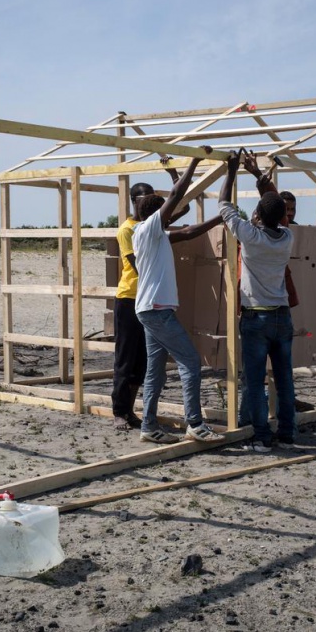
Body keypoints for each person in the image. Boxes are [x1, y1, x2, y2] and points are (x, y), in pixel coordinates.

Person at [133, 148, 226, 444]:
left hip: (152, 310)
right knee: (190, 361)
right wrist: (194, 162)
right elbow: (176, 195)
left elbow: (189, 231)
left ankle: (149, 426)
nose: (171, 215)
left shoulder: (155, 233)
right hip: (156, 310)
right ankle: (195, 423)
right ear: (156, 214)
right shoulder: (148, 228)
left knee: (155, 371)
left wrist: (218, 218)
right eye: (167, 212)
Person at [221, 151, 296, 452]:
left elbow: (225, 207)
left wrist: (230, 172)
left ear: (258, 217)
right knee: (284, 379)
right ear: (282, 217)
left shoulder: (250, 236)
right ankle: (288, 434)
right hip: (282, 316)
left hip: (255, 319)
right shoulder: (288, 237)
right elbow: (276, 207)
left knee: (254, 381)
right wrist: (257, 176)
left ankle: (262, 438)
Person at [111, 164, 188, 431]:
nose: (151, 203)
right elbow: (136, 265)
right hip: (130, 298)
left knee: (143, 361)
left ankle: (132, 411)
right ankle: (120, 412)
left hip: (147, 299)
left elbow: (184, 206)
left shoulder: (152, 224)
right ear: (135, 202)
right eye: (146, 198)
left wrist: (175, 176)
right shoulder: (129, 230)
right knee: (125, 358)